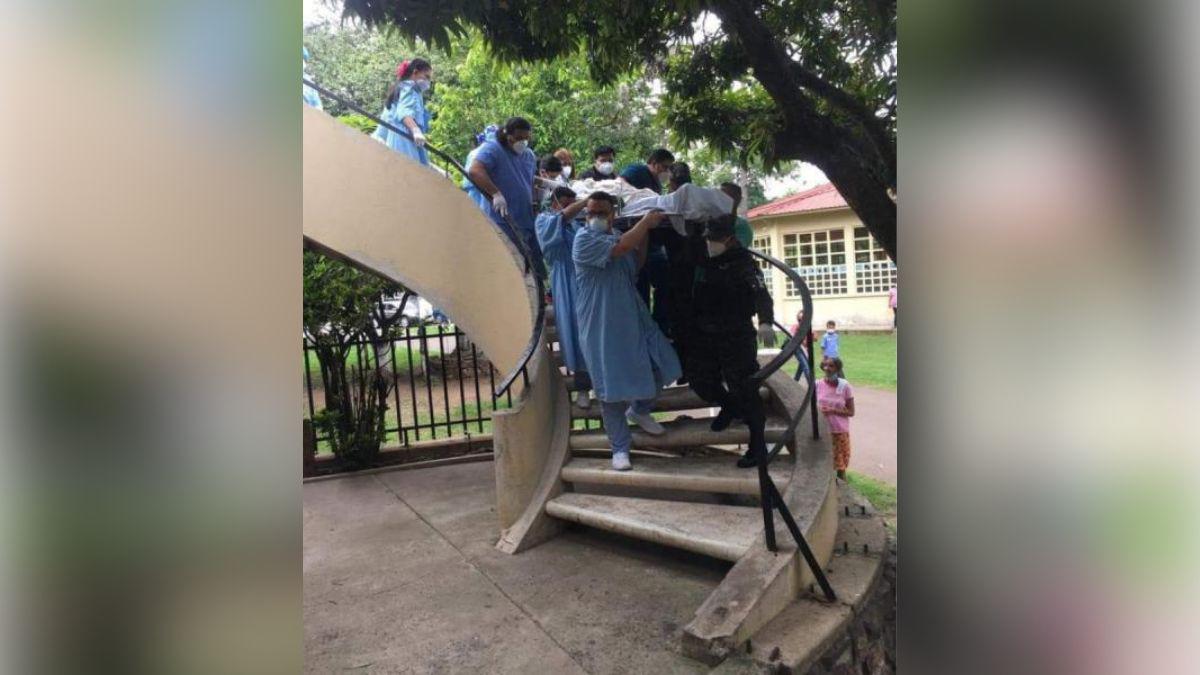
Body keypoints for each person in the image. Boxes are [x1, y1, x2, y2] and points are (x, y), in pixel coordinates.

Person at [573, 192, 681, 471]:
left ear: (613, 215)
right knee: (610, 391)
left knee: (664, 363)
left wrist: (642, 231)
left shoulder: (617, 236)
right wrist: (644, 223)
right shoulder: (583, 240)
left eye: (601, 212)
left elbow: (636, 260)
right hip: (601, 324)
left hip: (633, 317)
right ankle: (620, 449)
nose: (594, 217)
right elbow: (621, 248)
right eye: (591, 212)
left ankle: (640, 410)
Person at [687, 215, 778, 468]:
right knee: (700, 380)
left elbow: (761, 294)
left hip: (736, 334)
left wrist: (765, 322)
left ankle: (758, 448)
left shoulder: (744, 263)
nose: (710, 243)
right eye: (708, 238)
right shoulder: (706, 260)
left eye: (715, 239)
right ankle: (730, 406)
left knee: (746, 389)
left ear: (729, 239)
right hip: (706, 333)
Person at [536, 186, 592, 408]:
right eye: (567, 202)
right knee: (574, 332)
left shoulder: (578, 225)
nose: (572, 206)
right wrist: (586, 201)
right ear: (556, 202)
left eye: (573, 201)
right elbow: (558, 223)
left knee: (595, 331)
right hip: (565, 282)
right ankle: (582, 387)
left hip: (588, 281)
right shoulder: (543, 220)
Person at [468, 117, 540, 275]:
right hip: (502, 219)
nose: (523, 142)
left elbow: (528, 180)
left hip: (525, 219)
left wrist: (539, 195)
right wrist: (496, 193)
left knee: (529, 269)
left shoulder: (528, 155)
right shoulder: (493, 149)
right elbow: (475, 171)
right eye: (519, 138)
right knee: (506, 266)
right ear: (508, 135)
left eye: (526, 139)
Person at [621, 149, 676, 334]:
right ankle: (643, 329)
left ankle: (659, 326)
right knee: (641, 289)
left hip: (653, 243)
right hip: (637, 241)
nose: (666, 171)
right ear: (653, 162)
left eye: (669, 168)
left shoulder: (657, 184)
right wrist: (641, 196)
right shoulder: (637, 171)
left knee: (665, 283)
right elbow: (620, 185)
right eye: (665, 167)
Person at [372, 58, 434, 166]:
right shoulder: (409, 88)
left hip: (400, 138)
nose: (428, 82)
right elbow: (404, 112)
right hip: (404, 138)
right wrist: (415, 130)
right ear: (415, 72)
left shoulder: (403, 88)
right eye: (426, 77)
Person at [816, 357, 855, 480]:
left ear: (838, 368)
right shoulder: (817, 384)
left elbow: (851, 412)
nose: (827, 368)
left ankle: (843, 494)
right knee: (823, 464)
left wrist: (832, 411)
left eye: (831, 366)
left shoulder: (845, 387)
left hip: (838, 432)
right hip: (823, 430)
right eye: (825, 366)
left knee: (840, 467)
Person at [462, 124, 499, 213]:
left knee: (472, 215)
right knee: (486, 217)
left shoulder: (473, 152)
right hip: (486, 189)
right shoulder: (494, 151)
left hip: (472, 189)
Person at [718, 182, 755, 248]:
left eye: (726, 196)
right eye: (719, 195)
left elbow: (735, 248)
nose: (721, 199)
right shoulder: (707, 219)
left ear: (738, 199)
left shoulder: (743, 226)